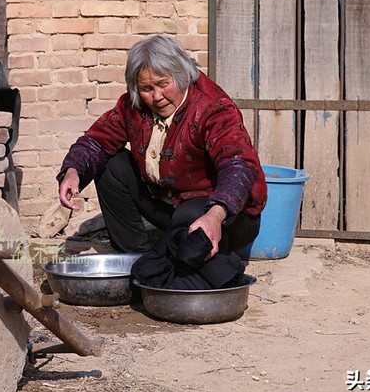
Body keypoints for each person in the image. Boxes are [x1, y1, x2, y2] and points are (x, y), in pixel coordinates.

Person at [57, 35, 267, 289]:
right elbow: (98, 141)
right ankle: (134, 257)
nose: (156, 96)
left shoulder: (213, 108)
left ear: (180, 76)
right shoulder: (133, 106)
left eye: (163, 84)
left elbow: (238, 165)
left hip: (223, 217)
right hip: (171, 207)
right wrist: (73, 171)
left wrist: (216, 213)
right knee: (111, 167)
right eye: (146, 89)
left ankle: (181, 262)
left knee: (191, 216)